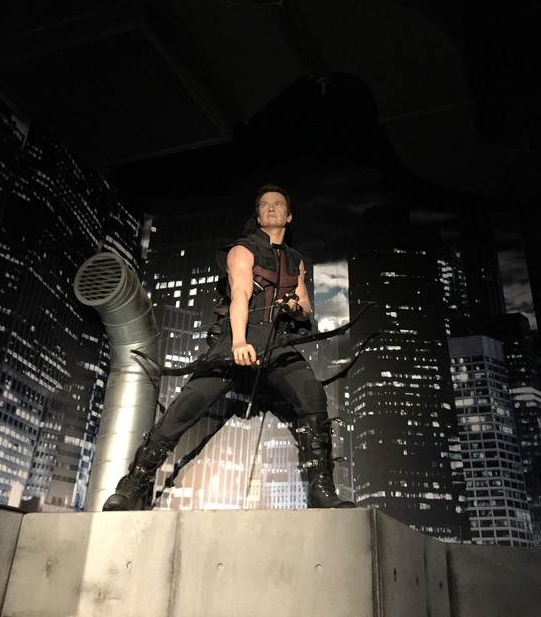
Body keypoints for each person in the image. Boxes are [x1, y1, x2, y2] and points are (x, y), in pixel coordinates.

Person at [103, 184, 357, 511]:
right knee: (185, 406)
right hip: (236, 338)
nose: (271, 208)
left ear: (288, 216)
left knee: (313, 396)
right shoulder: (243, 249)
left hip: (277, 344)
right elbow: (240, 295)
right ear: (258, 216)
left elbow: (306, 307)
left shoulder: (295, 261)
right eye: (264, 205)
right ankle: (132, 485)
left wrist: (295, 307)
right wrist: (238, 341)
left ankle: (321, 490)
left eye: (278, 204)